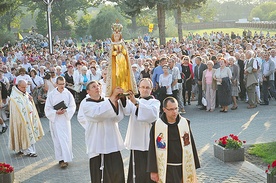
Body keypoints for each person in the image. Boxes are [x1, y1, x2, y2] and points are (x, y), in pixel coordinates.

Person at [77, 81, 125, 183]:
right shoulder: (85, 103)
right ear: (88, 91)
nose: (97, 88)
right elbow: (97, 114)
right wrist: (112, 99)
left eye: (98, 86)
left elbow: (118, 117)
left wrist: (116, 101)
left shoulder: (108, 100)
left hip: (112, 142)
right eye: (93, 87)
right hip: (97, 143)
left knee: (117, 174)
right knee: (101, 176)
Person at [147, 97, 200, 183]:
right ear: (164, 109)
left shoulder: (184, 123)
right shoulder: (157, 126)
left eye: (176, 108)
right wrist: (153, 170)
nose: (174, 112)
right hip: (166, 169)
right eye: (171, 109)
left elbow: (191, 144)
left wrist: (194, 164)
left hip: (183, 167)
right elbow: (152, 149)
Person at [122, 78, 160, 183]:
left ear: (151, 89)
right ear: (138, 89)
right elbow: (125, 110)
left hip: (149, 142)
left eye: (147, 87)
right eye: (142, 87)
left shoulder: (155, 102)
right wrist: (123, 97)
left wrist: (136, 102)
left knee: (149, 173)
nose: (145, 90)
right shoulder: (132, 102)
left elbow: (152, 115)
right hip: (136, 141)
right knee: (137, 172)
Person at [45, 76, 76, 168]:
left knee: (65, 139)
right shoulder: (51, 94)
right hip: (56, 120)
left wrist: (66, 111)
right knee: (58, 140)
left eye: (64, 84)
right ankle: (61, 159)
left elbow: (72, 106)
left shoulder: (68, 93)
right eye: (60, 84)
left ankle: (66, 158)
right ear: (56, 84)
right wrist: (55, 112)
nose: (62, 86)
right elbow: (47, 108)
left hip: (65, 119)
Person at [9, 79, 44, 156]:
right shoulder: (14, 97)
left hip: (29, 117)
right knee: (24, 133)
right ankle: (29, 151)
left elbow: (27, 103)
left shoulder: (24, 93)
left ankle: (26, 149)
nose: (25, 89)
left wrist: (31, 101)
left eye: (26, 87)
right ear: (18, 86)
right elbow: (17, 109)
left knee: (29, 133)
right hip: (21, 119)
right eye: (23, 87)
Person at [105, 22, 138, 96]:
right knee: (117, 75)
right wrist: (116, 52)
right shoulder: (112, 44)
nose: (117, 37)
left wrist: (122, 51)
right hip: (116, 61)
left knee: (123, 74)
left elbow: (125, 52)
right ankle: (117, 88)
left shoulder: (122, 43)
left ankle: (125, 88)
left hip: (123, 61)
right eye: (115, 36)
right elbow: (111, 54)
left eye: (118, 36)